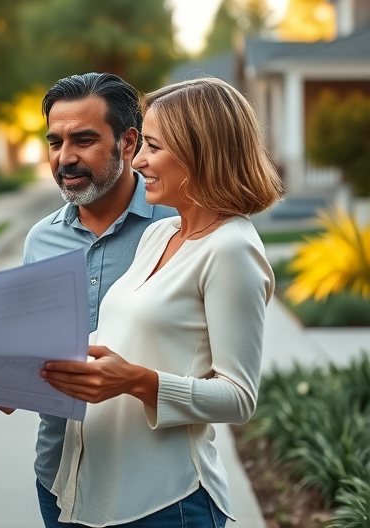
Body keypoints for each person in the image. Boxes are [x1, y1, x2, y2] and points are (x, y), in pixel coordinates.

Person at [40, 77, 284, 527]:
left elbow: (239, 397)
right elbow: (115, 337)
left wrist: (137, 381)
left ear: (199, 152)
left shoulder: (231, 249)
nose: (139, 160)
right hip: (96, 489)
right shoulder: (161, 234)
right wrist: (23, 363)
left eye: (152, 146)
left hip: (168, 502)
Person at [13, 72, 176, 527]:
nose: (65, 158)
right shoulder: (40, 240)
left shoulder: (180, 227)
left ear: (129, 142)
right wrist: (5, 381)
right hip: (62, 478)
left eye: (83, 140)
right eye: (54, 142)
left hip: (158, 488)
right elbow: (34, 350)